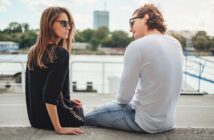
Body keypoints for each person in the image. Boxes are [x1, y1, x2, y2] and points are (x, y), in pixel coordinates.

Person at [85, 3, 184, 134]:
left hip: (144, 122)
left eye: (132, 22)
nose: (130, 29)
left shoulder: (137, 46)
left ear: (146, 17)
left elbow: (123, 99)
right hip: (168, 122)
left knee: (89, 116)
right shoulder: (175, 43)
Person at [25, 7, 84, 135]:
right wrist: (59, 128)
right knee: (90, 114)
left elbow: (38, 89)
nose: (68, 27)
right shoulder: (60, 53)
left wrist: (65, 100)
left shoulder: (33, 52)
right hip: (52, 121)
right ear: (49, 24)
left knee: (76, 106)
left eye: (70, 24)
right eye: (64, 23)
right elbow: (49, 95)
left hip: (35, 119)